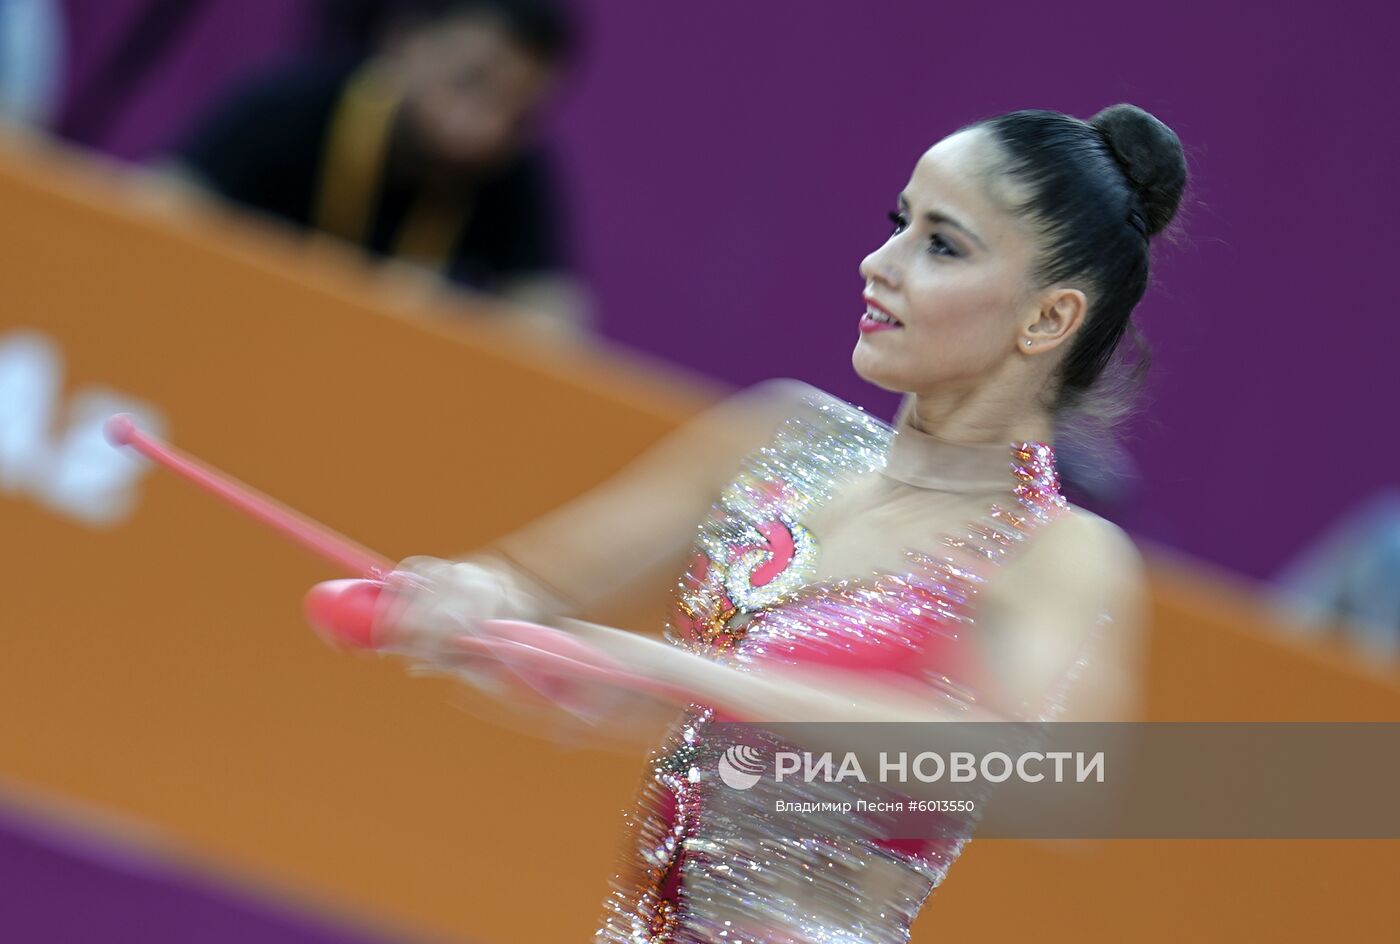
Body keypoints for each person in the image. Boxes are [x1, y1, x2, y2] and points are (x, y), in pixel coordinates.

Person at [311, 103, 1187, 941]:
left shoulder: (1058, 550)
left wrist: (685, 675)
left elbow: (1043, 780)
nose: (879, 263)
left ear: (1048, 317)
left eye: (942, 246)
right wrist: (469, 600)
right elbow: (535, 594)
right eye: (900, 222)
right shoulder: (776, 437)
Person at [168, 0, 588, 335]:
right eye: (468, 81)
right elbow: (156, 209)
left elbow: (552, 326)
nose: (480, 127)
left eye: (517, 111)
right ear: (405, 39)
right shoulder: (284, 111)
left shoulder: (514, 173)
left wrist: (455, 317)